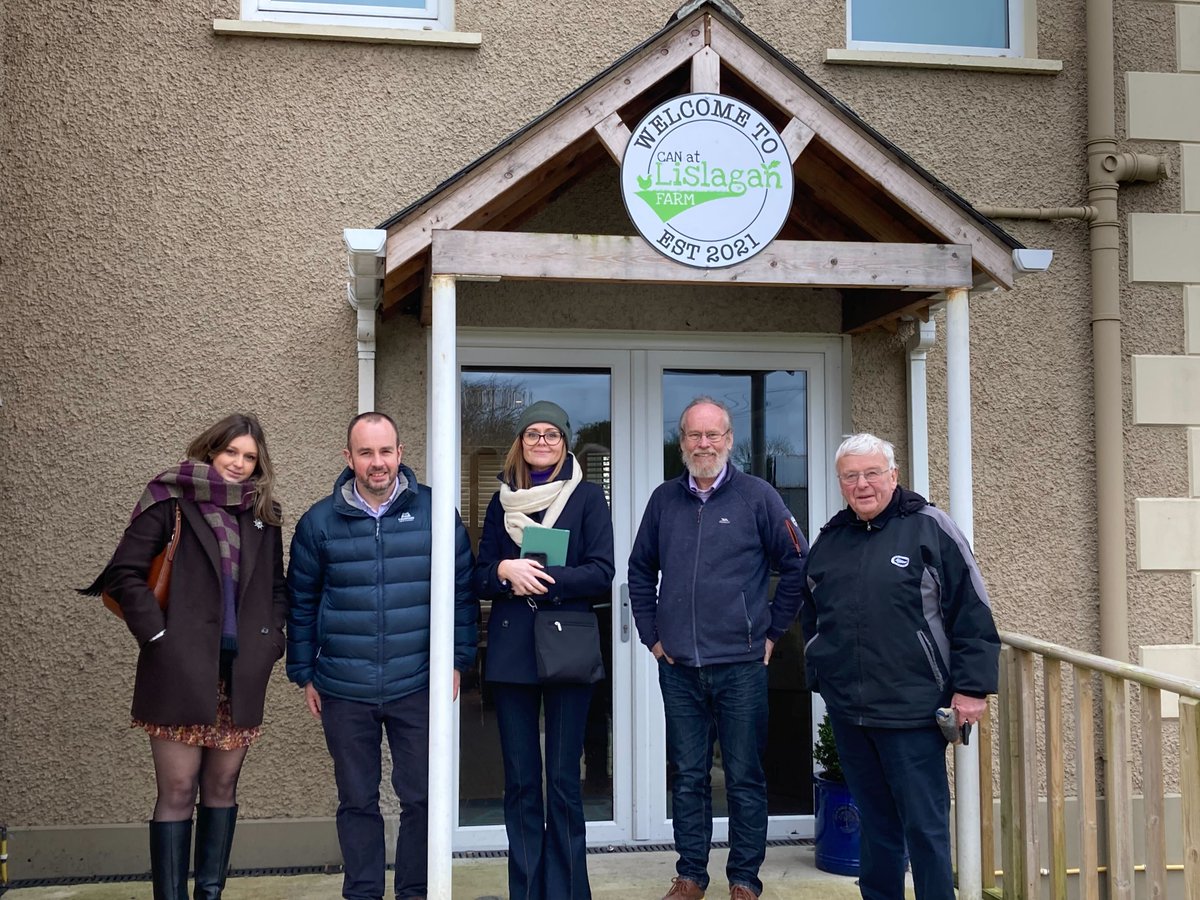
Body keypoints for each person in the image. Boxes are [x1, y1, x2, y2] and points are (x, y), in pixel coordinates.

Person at [83, 413, 287, 900]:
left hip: (238, 676)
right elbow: (124, 575)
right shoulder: (168, 501)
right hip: (177, 672)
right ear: (210, 450)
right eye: (230, 452)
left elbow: (277, 589)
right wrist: (159, 637)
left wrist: (271, 641)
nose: (238, 464)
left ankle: (210, 893)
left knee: (223, 789)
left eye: (249, 457)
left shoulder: (265, 515)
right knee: (177, 791)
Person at [799, 433, 999, 900]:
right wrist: (822, 675)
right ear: (840, 483)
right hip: (851, 713)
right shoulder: (831, 539)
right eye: (851, 476)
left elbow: (972, 611)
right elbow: (812, 614)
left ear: (893, 475)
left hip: (914, 711)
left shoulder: (931, 527)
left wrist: (971, 689)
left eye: (872, 473)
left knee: (926, 829)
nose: (862, 484)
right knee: (876, 825)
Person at [286, 411, 477, 900]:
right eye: (366, 452)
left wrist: (456, 662)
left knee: (421, 800)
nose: (378, 462)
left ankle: (415, 892)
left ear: (401, 453)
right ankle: (364, 893)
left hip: (417, 683)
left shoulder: (436, 512)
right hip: (343, 689)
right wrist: (305, 672)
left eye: (385, 451)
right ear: (348, 457)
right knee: (356, 801)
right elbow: (301, 602)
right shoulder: (318, 523)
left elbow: (461, 595)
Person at [627, 396, 808, 900]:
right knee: (688, 776)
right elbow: (640, 570)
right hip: (680, 666)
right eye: (693, 435)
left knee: (745, 777)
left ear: (729, 440)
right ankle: (690, 875)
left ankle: (745, 879)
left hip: (742, 666)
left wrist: (773, 633)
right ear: (681, 441)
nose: (703, 445)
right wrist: (652, 637)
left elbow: (796, 563)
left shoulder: (758, 496)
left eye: (713, 435)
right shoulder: (664, 500)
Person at [473, 400, 615, 900]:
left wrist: (542, 578)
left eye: (551, 434)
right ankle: (527, 890)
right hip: (512, 653)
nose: (541, 442)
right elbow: (479, 573)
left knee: (561, 781)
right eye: (532, 434)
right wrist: (504, 573)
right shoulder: (500, 502)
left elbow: (602, 571)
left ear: (565, 442)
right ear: (520, 442)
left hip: (567, 648)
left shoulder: (588, 499)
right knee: (520, 783)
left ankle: (570, 892)